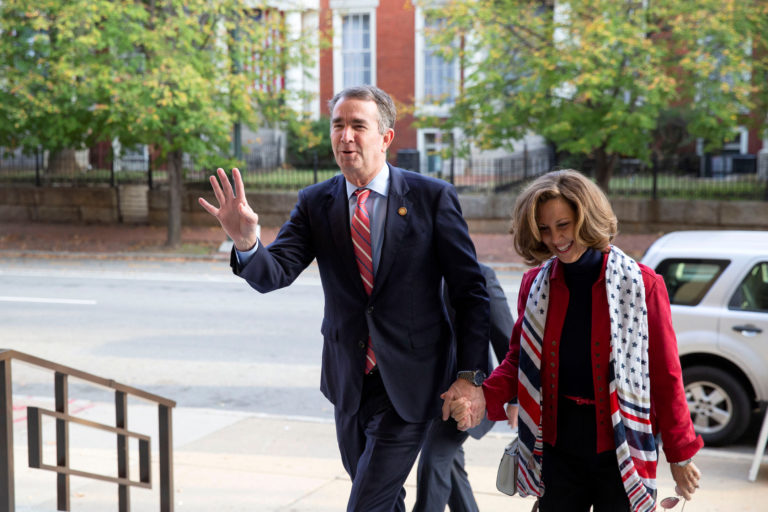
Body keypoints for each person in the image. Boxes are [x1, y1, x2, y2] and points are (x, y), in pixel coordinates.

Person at [198, 84, 490, 512]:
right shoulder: (317, 202)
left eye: (358, 126)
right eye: (338, 126)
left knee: (365, 506)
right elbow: (274, 273)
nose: (346, 136)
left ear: (386, 137)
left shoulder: (431, 198)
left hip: (412, 383)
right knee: (382, 500)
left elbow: (471, 293)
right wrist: (247, 243)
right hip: (350, 382)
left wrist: (469, 377)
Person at [449, 169, 703, 512]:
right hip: (557, 451)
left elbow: (665, 375)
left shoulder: (642, 285)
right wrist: (482, 398)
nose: (555, 238)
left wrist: (680, 452)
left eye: (563, 225)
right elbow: (518, 361)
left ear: (587, 219)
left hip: (622, 450)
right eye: (544, 228)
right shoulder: (534, 285)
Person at [414, 263, 515, 512]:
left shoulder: (480, 275)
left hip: (467, 396)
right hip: (425, 396)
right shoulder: (413, 271)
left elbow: (506, 338)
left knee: (433, 461)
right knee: (450, 467)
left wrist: (514, 398)